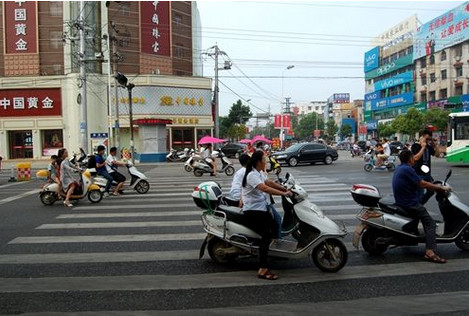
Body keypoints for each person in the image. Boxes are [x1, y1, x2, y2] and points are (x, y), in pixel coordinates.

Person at [392, 150, 450, 263]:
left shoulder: (400, 168)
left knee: (421, 210)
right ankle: (429, 252)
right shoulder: (407, 169)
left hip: (403, 201)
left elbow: (419, 181)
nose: (414, 158)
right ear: (409, 159)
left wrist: (431, 184)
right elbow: (422, 184)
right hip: (409, 204)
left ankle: (410, 232)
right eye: (413, 157)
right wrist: (440, 188)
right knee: (430, 223)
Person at [241, 150, 292, 280]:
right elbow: (264, 188)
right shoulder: (252, 175)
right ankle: (263, 269)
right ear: (259, 162)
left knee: (275, 223)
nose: (266, 162)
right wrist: (283, 194)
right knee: (266, 236)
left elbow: (269, 182)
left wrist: (284, 188)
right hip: (253, 210)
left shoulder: (258, 173)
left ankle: (274, 253)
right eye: (265, 160)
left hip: (261, 208)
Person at [411, 129, 438, 205]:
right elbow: (415, 158)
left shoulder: (428, 147)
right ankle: (418, 207)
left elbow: (437, 155)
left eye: (429, 139)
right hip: (418, 173)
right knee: (420, 193)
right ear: (421, 137)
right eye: (426, 138)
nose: (427, 140)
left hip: (427, 174)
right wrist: (422, 147)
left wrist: (436, 145)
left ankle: (420, 205)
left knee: (432, 190)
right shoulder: (415, 146)